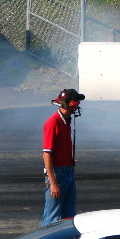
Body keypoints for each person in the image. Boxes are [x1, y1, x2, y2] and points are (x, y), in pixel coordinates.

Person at [42, 88, 84, 226]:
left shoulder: (66, 121)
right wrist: (53, 183)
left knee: (69, 218)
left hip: (68, 171)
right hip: (58, 174)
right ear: (71, 104)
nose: (78, 106)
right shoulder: (53, 122)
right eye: (77, 102)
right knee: (52, 219)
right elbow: (46, 154)